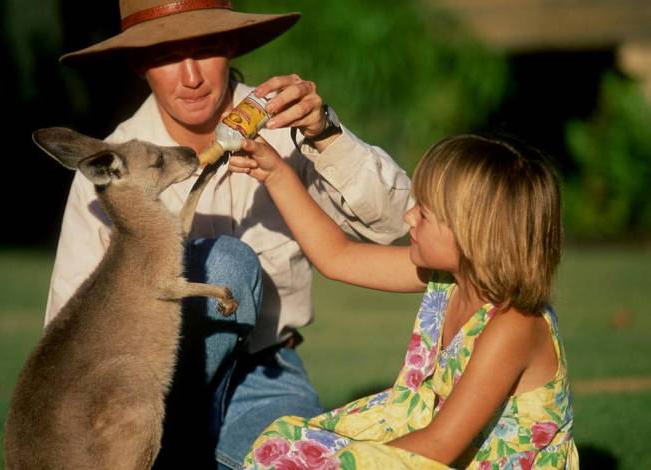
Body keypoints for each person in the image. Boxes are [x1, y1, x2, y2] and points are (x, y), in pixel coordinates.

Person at [46, 1, 413, 468]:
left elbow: (396, 225)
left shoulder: (285, 123)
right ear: (140, 64)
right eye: (166, 55)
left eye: (206, 48)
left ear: (231, 45)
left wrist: (325, 133)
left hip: (265, 371)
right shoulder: (111, 169)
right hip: (160, 386)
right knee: (225, 264)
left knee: (305, 461)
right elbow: (70, 334)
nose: (191, 76)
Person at [232, 133, 579, 469]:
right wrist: (277, 174)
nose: (409, 217)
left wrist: (340, 463)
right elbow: (336, 256)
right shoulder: (449, 279)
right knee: (287, 448)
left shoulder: (513, 326)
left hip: (444, 455)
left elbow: (439, 446)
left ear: (474, 234)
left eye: (424, 213)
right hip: (436, 455)